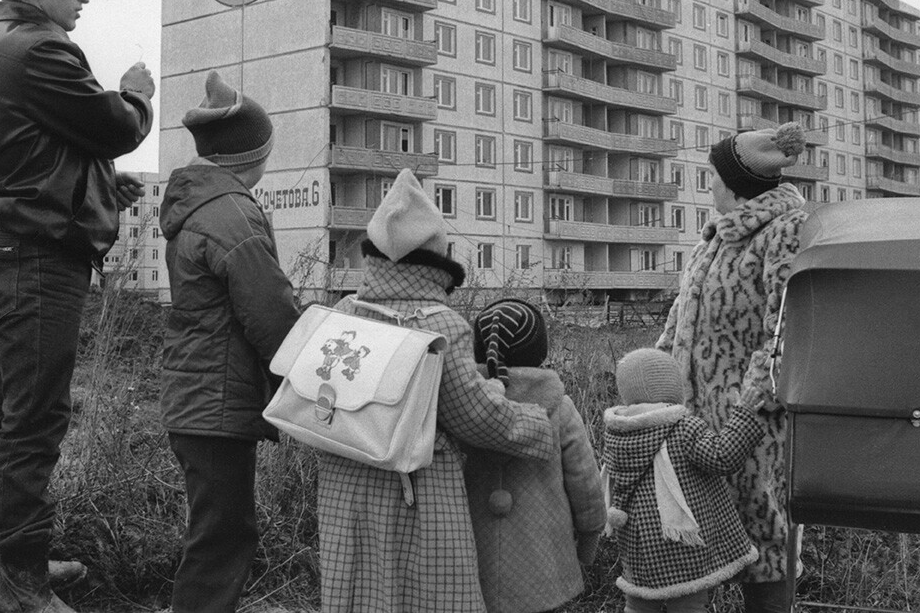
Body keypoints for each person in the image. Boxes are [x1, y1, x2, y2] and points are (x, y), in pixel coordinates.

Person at [0, 0, 154, 613]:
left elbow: (40, 157)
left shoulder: (3, 46)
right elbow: (112, 126)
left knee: (7, 408)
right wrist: (136, 94)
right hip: (38, 262)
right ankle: (19, 579)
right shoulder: (40, 50)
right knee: (34, 418)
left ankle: (7, 554)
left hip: (19, 253)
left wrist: (102, 185)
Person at [317, 169, 557, 613]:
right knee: (427, 595)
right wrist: (536, 424)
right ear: (436, 262)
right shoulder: (440, 323)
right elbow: (474, 415)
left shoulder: (344, 311)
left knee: (359, 593)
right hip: (416, 491)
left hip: (343, 485)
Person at [159, 70, 301, 613]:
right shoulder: (234, 214)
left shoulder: (197, 207)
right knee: (224, 536)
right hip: (216, 401)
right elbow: (269, 313)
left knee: (216, 527)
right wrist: (313, 374)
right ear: (249, 157)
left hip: (195, 396)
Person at [654, 122, 808, 613]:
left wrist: (747, 412)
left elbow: (783, 333)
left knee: (765, 549)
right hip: (693, 427)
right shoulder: (712, 241)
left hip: (754, 433)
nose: (711, 186)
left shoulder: (785, 233)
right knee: (691, 549)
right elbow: (679, 322)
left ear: (737, 182)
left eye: (714, 176)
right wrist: (649, 383)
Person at [463, 298, 606, 613]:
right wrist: (590, 533)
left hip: (473, 558)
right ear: (540, 350)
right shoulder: (559, 407)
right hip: (544, 558)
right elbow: (584, 479)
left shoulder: (462, 406)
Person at [602, 348, 769, 613]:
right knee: (689, 602)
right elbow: (721, 457)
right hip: (680, 540)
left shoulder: (618, 431)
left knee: (639, 602)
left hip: (637, 542)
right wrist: (744, 414)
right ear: (671, 386)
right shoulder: (682, 428)